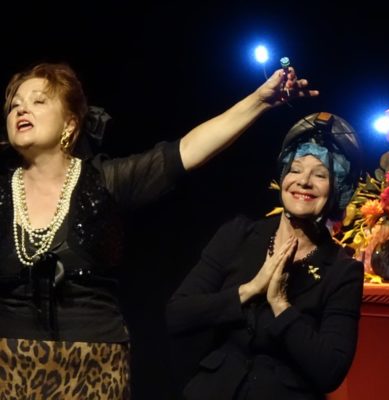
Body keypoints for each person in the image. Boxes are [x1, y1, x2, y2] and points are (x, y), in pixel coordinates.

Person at [0, 62, 316, 399]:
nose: (22, 109)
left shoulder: (103, 181)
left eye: (38, 101)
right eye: (15, 104)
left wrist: (260, 100)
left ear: (70, 123)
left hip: (93, 363)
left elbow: (188, 149)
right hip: (10, 363)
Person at [166, 112, 365, 400]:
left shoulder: (342, 271)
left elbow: (330, 370)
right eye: (295, 169)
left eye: (320, 174)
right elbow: (178, 315)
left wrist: (281, 304)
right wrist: (249, 290)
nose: (304, 181)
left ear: (340, 189)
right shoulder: (238, 234)